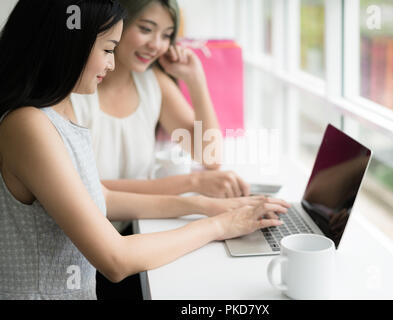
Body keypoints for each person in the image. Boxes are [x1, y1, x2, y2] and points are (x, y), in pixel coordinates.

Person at [0, 0, 289, 300]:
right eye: (108, 49)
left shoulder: (60, 107)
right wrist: (218, 225)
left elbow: (102, 196)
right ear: (71, 42)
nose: (110, 64)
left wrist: (205, 206)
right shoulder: (28, 125)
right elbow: (115, 260)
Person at [69, 0, 250, 207]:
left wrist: (195, 80)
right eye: (146, 29)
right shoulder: (75, 89)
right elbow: (84, 189)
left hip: (138, 223)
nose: (156, 45)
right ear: (114, 24)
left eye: (166, 35)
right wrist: (192, 183)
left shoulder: (152, 82)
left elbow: (210, 155)